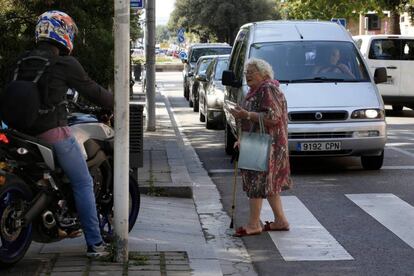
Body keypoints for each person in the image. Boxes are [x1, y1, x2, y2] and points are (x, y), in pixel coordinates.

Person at [9, 11, 114, 257]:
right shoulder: (64, 63)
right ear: (61, 33)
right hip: (50, 133)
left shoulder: (23, 59)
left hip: (16, 131)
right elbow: (94, 91)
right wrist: (118, 103)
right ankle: (96, 245)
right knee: (83, 182)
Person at [229, 58, 292, 237]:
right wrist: (241, 136)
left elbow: (273, 117)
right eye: (246, 73)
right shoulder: (254, 91)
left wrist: (247, 114)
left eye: (252, 72)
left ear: (264, 74)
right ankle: (280, 221)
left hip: (266, 145)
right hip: (257, 141)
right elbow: (252, 119)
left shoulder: (267, 89)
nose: (247, 75)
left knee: (256, 182)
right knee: (268, 184)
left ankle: (254, 224)